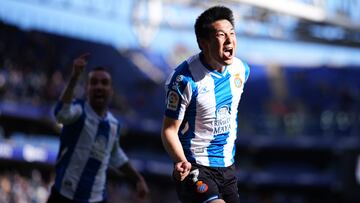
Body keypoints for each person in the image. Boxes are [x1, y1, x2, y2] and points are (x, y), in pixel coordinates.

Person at [161, 6, 250, 203]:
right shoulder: (184, 80)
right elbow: (169, 130)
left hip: (228, 167)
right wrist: (180, 161)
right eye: (220, 35)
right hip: (195, 166)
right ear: (204, 43)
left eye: (232, 33)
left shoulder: (241, 70)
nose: (229, 40)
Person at [47, 53, 149, 203]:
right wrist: (74, 77)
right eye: (93, 82)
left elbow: (116, 155)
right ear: (87, 89)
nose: (99, 86)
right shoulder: (78, 111)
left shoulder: (113, 125)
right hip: (63, 195)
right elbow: (61, 113)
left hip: (96, 199)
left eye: (104, 82)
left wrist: (138, 179)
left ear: (111, 90)